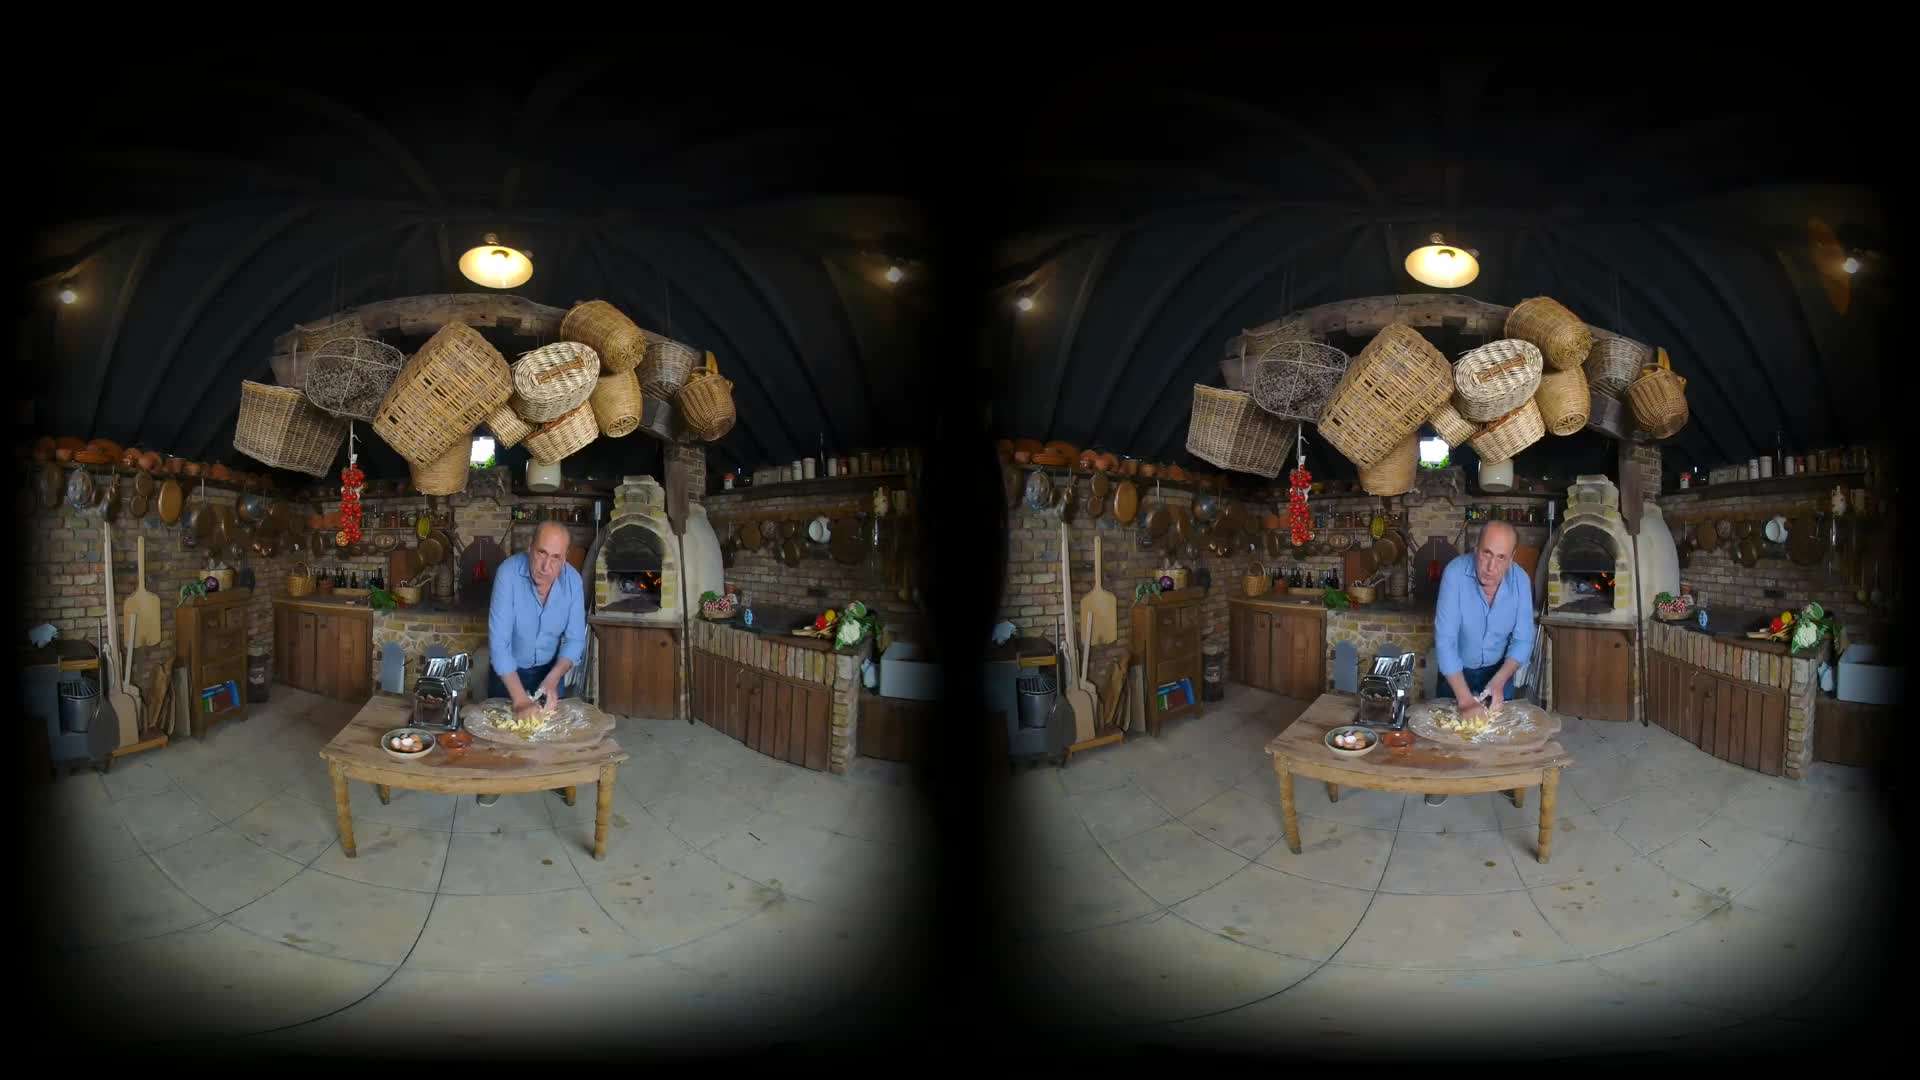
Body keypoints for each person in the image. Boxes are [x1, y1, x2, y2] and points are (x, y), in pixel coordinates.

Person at [476, 521, 589, 806]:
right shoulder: (508, 573)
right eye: (541, 553)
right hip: (508, 670)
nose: (545, 566)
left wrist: (553, 680)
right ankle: (496, 781)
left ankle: (551, 777)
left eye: (556, 558)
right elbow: (499, 644)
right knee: (501, 735)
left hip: (550, 669)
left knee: (550, 734)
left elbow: (575, 640)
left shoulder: (573, 582)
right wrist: (518, 699)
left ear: (564, 559)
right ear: (529, 550)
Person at [1426, 519, 1535, 806]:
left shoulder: (1521, 581)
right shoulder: (1454, 574)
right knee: (1449, 734)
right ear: (1476, 549)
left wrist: (1499, 681)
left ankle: (1502, 778)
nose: (1491, 566)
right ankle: (1443, 780)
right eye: (1487, 554)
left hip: (1500, 670)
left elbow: (1524, 640)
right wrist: (1463, 698)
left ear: (1512, 558)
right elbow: (1445, 640)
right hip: (1456, 671)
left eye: (1501, 558)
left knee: (1500, 734)